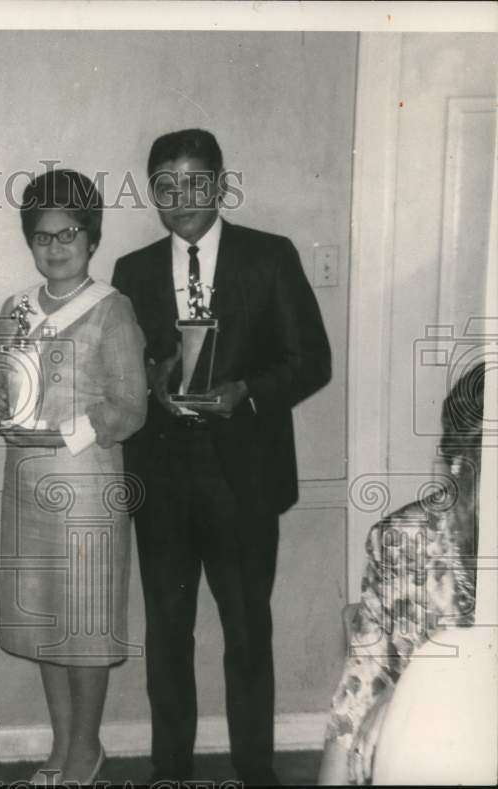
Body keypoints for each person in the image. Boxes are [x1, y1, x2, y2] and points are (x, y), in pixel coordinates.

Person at [112, 128, 332, 785]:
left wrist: (245, 392)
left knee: (246, 633)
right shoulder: (134, 269)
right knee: (168, 636)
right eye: (165, 185)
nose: (180, 197)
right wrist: (151, 374)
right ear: (152, 190)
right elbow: (130, 366)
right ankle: (171, 768)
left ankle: (256, 769)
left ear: (220, 184)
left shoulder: (268, 257)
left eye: (195, 182)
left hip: (244, 479)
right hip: (163, 479)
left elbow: (311, 359)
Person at [0, 169, 147, 784]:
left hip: (86, 487)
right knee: (46, 619)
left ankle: (87, 750)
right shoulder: (15, 307)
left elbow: (131, 407)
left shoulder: (111, 309)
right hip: (26, 484)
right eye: (42, 236)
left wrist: (60, 433)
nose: (55, 246)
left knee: (83, 623)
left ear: (91, 237)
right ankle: (62, 747)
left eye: (68, 233)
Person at [318, 363, 484, 785]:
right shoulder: (401, 543)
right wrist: (398, 699)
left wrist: (412, 695)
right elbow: (356, 698)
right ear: (462, 466)